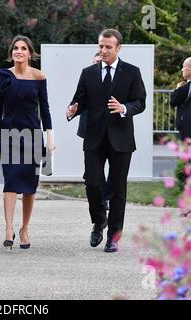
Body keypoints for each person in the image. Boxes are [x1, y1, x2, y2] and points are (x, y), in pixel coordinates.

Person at [66, 29, 146, 253]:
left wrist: (124, 109)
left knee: (118, 189)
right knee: (92, 182)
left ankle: (113, 236)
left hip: (121, 139)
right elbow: (79, 100)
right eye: (101, 46)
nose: (103, 50)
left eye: (108, 47)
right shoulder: (88, 72)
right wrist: (73, 109)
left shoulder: (131, 72)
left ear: (118, 48)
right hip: (94, 137)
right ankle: (99, 220)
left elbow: (140, 102)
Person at [0, 35, 55, 250]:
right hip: (9, 135)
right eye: (16, 48)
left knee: (29, 186)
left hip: (33, 135)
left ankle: (24, 229)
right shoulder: (3, 77)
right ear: (11, 53)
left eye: (23, 48)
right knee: (10, 182)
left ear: (30, 53)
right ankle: (9, 228)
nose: (19, 51)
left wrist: (50, 137)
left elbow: (44, 109)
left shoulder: (38, 77)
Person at [78, 52, 112, 211]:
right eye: (95, 62)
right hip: (90, 129)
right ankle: (101, 198)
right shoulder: (88, 77)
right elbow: (80, 100)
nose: (97, 65)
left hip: (109, 131)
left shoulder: (110, 80)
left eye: (99, 62)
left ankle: (105, 197)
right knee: (92, 173)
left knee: (104, 171)